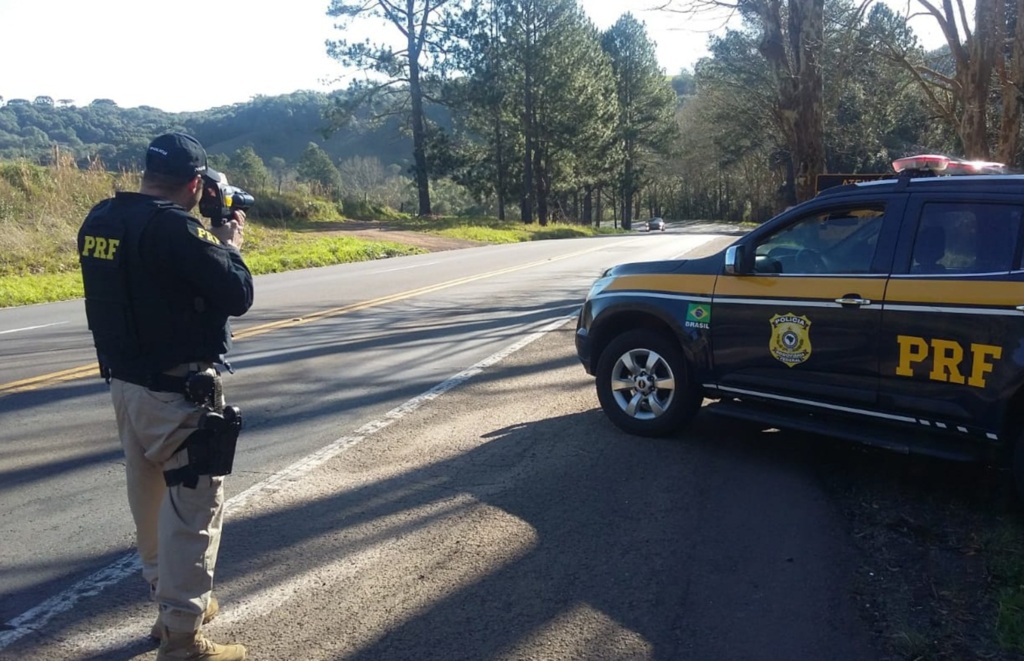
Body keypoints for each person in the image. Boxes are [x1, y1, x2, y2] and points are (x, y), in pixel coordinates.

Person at [78, 133, 254, 660]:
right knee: (194, 508)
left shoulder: (102, 219)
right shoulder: (177, 229)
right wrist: (227, 245)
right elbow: (237, 294)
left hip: (126, 386)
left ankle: (167, 604)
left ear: (148, 172)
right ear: (195, 184)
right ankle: (182, 638)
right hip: (178, 393)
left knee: (149, 501)